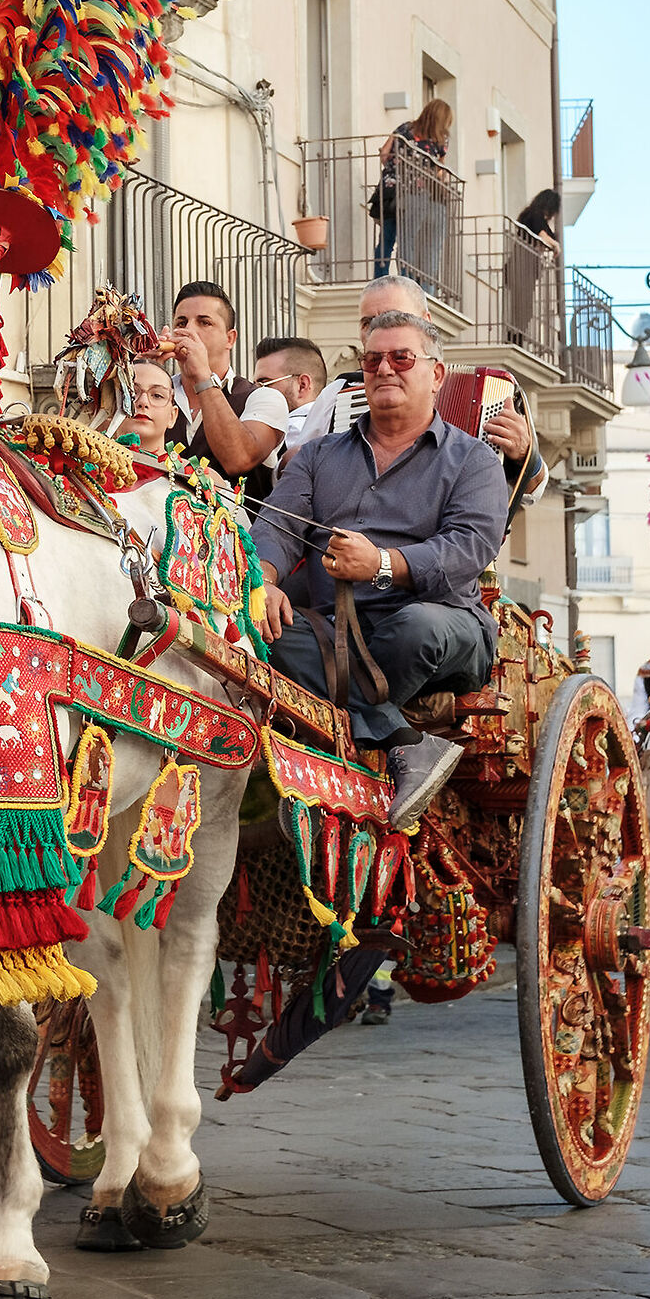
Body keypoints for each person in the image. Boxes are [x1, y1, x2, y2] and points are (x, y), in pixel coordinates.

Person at [253, 309, 508, 831]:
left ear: (435, 374)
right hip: (334, 630)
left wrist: (382, 566)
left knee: (416, 629)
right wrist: (263, 582)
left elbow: (467, 549)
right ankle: (402, 742)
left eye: (401, 357)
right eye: (372, 360)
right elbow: (275, 528)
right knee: (261, 630)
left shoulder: (473, 460)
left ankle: (334, 750)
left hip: (442, 623)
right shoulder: (317, 456)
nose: (385, 369)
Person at [301, 275, 545, 514]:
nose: (378, 328)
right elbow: (297, 477)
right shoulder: (340, 394)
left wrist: (525, 454)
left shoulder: (489, 392)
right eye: (367, 322)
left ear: (427, 322)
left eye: (393, 317)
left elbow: (532, 493)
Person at [160, 283, 286, 508]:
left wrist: (202, 376)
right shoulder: (156, 393)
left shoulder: (264, 398)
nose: (189, 331)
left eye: (204, 322)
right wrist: (143, 372)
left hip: (242, 539)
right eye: (182, 322)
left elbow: (238, 459)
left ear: (230, 339)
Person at [373, 97, 453, 287]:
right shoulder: (439, 138)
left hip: (390, 190)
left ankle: (380, 280)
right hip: (415, 195)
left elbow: (384, 154)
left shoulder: (404, 128)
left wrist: (395, 169)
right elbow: (440, 170)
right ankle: (407, 281)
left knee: (386, 238)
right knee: (409, 239)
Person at [253, 336, 329, 465]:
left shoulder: (292, 429)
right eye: (254, 385)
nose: (255, 392)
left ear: (302, 385)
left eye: (264, 384)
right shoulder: (331, 423)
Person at [507, 188, 561, 350]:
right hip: (522, 266)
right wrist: (555, 245)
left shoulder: (529, 215)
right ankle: (514, 339)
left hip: (523, 267)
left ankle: (515, 338)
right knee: (523, 307)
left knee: (522, 307)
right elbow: (542, 235)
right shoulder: (535, 216)